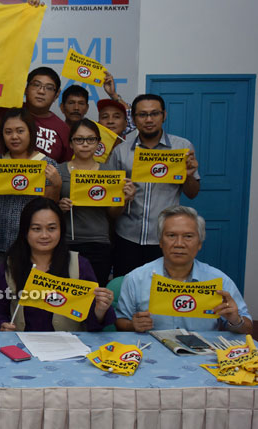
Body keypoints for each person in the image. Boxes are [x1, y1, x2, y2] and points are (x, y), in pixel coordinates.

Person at [116, 206, 252, 334]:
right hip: (152, 353)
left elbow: (247, 327)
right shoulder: (136, 278)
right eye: (171, 235)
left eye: (188, 236)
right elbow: (120, 321)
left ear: (199, 243)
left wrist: (236, 320)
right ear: (161, 242)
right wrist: (132, 325)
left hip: (204, 356)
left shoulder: (219, 280)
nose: (179, 244)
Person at [0, 197, 116, 332]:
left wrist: (100, 310)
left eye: (52, 228)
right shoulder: (11, 265)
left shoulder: (79, 265)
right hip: (23, 347)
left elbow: (93, 323)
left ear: (61, 229)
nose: (44, 235)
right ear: (25, 231)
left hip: (69, 347)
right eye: (36, 229)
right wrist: (1, 325)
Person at [109, 94, 200, 276]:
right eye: (142, 115)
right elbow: (111, 205)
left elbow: (192, 193)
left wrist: (189, 176)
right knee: (125, 290)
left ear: (164, 115)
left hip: (165, 239)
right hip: (127, 237)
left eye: (154, 114)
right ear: (134, 119)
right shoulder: (121, 151)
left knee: (161, 295)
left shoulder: (182, 147)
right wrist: (123, 198)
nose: (149, 120)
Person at [0, 107, 62, 281]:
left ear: (31, 133)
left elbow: (52, 207)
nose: (14, 137)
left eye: (20, 131)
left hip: (34, 249)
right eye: (8, 132)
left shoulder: (47, 164)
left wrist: (56, 186)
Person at [57, 119, 136, 286]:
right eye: (79, 139)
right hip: (66, 242)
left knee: (94, 294)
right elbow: (48, 209)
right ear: (71, 143)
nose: (85, 144)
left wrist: (123, 200)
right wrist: (60, 207)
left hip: (99, 243)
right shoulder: (59, 171)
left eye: (90, 139)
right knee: (66, 294)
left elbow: (113, 214)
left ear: (98, 144)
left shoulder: (109, 173)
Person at [0, 66, 72, 163]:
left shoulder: (63, 129)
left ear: (57, 94)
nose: (41, 91)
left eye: (49, 88)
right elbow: (0, 73)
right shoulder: (5, 109)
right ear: (26, 88)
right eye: (36, 85)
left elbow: (64, 169)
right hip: (1, 175)